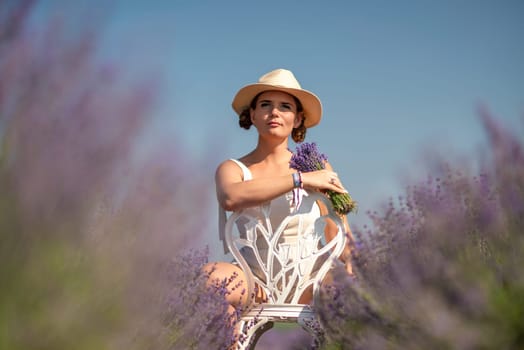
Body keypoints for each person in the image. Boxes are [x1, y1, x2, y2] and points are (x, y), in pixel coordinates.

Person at [204, 68, 353, 320]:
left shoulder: (318, 166)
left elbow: (336, 229)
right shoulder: (233, 168)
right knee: (206, 281)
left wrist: (352, 261)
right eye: (265, 105)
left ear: (297, 119)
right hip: (252, 282)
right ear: (252, 115)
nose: (274, 112)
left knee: (356, 293)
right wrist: (299, 179)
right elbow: (230, 197)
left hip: (311, 281)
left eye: (285, 106)